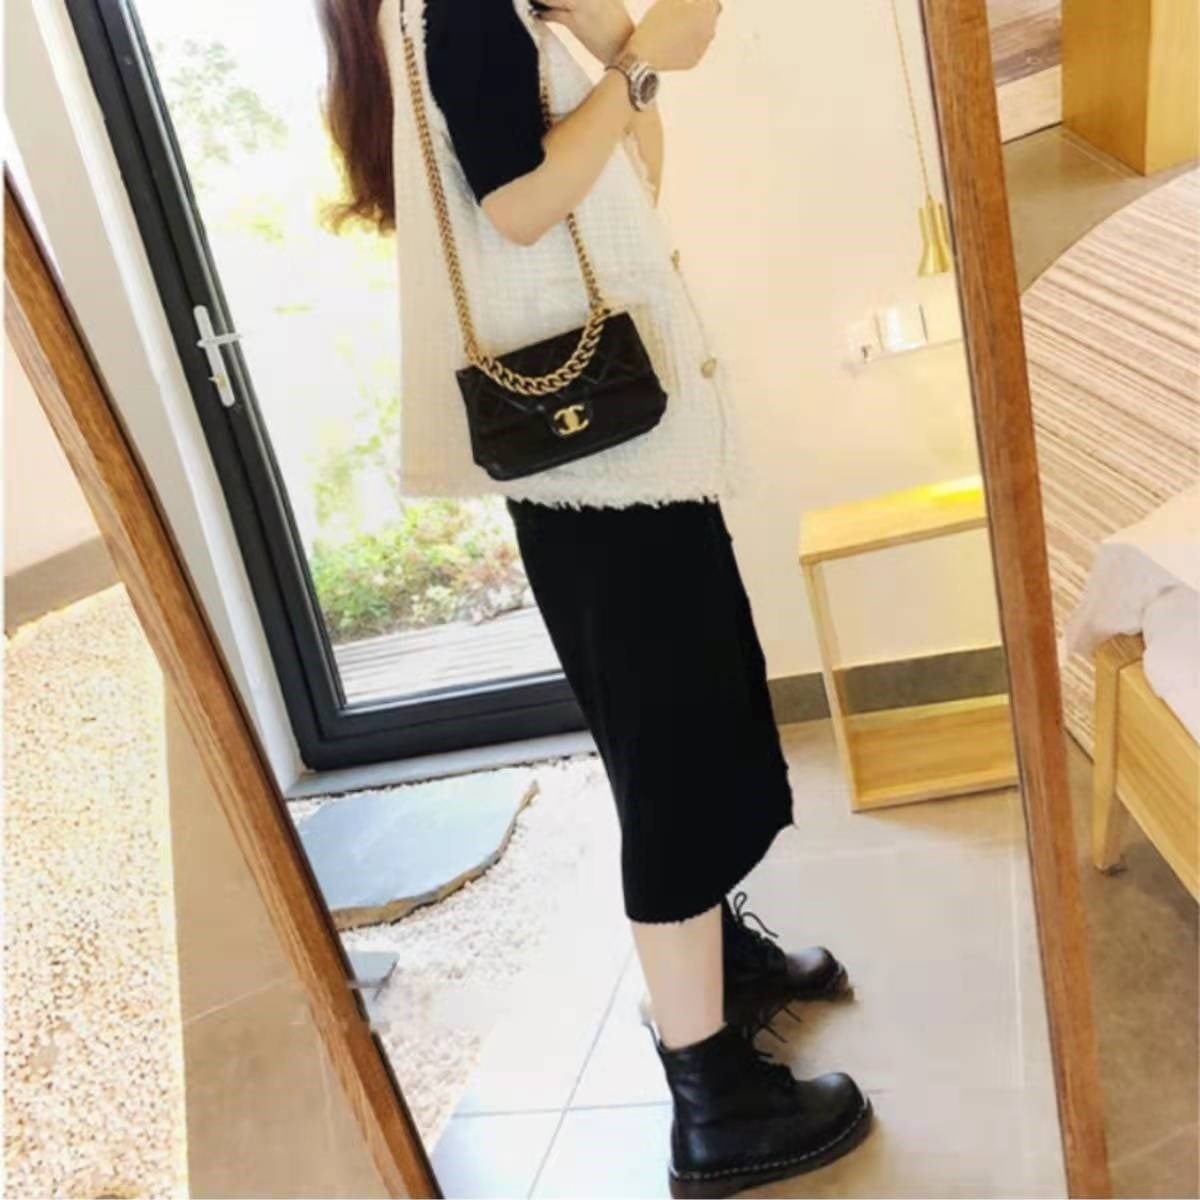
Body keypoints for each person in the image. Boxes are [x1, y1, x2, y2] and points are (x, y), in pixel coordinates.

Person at [319, 0, 873, 1191]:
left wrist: (622, 45)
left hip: (620, 453)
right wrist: (633, 65)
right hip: (600, 466)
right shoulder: (462, 10)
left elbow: (631, 184)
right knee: (670, 753)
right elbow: (518, 207)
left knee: (689, 721)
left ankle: (718, 968)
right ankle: (710, 1100)